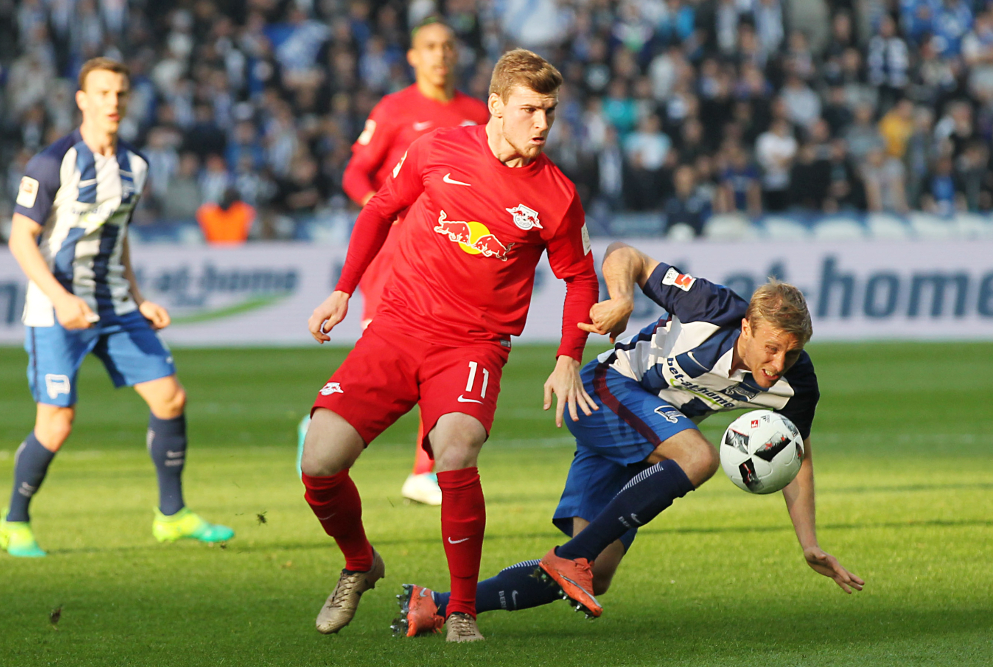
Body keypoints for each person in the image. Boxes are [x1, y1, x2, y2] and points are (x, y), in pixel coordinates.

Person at [395, 241, 863, 635]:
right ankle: (569, 559)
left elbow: (794, 455)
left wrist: (809, 542)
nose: (778, 363)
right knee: (698, 458)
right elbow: (626, 256)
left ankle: (436, 604)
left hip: (642, 441)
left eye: (791, 352)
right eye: (771, 347)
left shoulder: (797, 384)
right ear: (746, 327)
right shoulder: (711, 306)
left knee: (595, 574)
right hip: (606, 389)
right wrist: (621, 298)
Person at [301, 48, 599, 642]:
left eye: (550, 112)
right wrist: (343, 289)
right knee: (319, 463)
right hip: (396, 327)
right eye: (529, 110)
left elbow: (581, 278)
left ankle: (460, 609)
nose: (541, 124)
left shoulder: (557, 195)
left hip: (473, 344)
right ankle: (359, 563)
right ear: (496, 106)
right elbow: (381, 210)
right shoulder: (437, 148)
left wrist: (569, 356)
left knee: (456, 449)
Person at [0, 58, 234, 559]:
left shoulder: (136, 166)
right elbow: (20, 239)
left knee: (170, 398)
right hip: (55, 308)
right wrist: (61, 299)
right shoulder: (51, 162)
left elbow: (117, 236)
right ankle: (13, 521)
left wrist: (140, 296)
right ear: (82, 99)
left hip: (116, 304)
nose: (113, 101)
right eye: (102, 92)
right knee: (57, 423)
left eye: (120, 93)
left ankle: (171, 516)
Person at [340, 16, 489, 507]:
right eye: (430, 46)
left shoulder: (476, 112)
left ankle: (424, 471)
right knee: (382, 358)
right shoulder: (395, 109)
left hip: (454, 262)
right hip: (395, 257)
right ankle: (325, 419)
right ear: (413, 56)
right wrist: (380, 212)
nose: (441, 55)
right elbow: (356, 172)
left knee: (441, 357)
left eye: (448, 46)